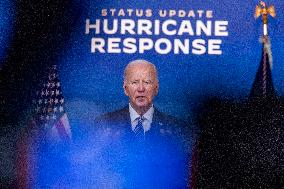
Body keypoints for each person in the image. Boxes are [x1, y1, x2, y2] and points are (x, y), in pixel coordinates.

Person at [83, 59, 195, 188]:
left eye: (147, 82)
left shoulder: (177, 129)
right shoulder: (104, 125)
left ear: (156, 88)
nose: (141, 88)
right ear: (125, 89)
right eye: (135, 82)